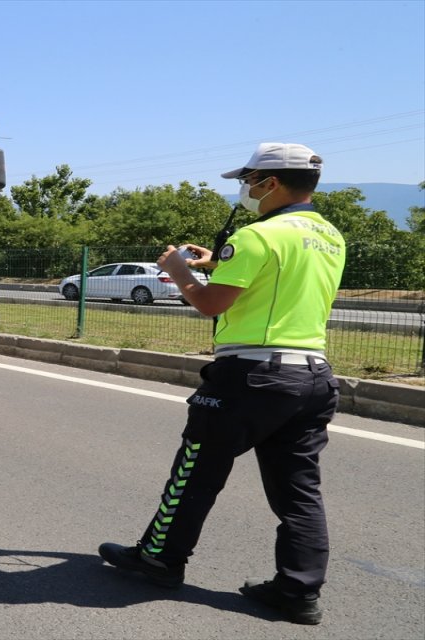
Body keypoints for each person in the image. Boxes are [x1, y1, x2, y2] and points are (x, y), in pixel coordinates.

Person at [98, 143, 344, 626]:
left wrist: (179, 272)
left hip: (249, 376)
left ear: (270, 183)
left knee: (196, 472)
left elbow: (211, 305)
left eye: (249, 180)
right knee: (299, 491)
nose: (245, 189)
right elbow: (274, 282)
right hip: (312, 376)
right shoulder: (330, 237)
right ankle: (298, 591)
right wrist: (215, 263)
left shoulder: (258, 235)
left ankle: (160, 559)